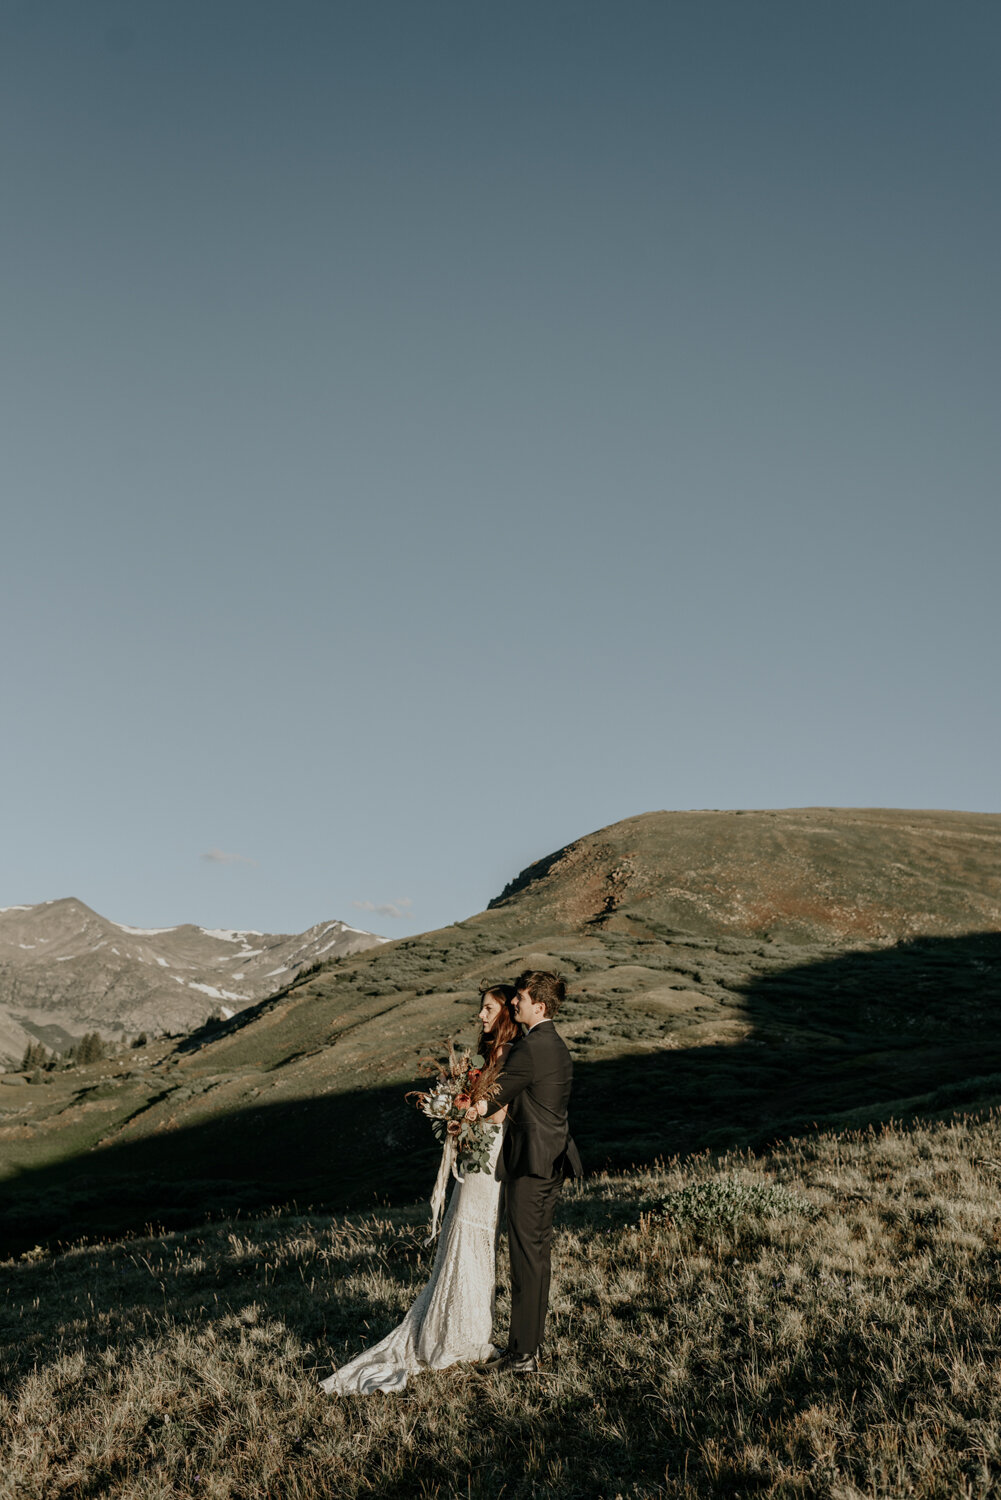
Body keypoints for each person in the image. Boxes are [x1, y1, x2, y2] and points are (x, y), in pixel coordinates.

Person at [319, 983, 518, 1395]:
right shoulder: (487, 1056)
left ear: (505, 1014)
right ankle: (453, 1333)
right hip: (476, 1155)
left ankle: (465, 1333)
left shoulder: (513, 1055)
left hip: (490, 1157)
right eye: (482, 1009)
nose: (481, 1016)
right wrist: (458, 1114)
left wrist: (468, 1115)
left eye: (488, 1009)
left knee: (475, 1235)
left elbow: (502, 1113)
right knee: (462, 1233)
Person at [476, 969, 583, 1377]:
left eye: (520, 997)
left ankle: (521, 1356)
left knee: (525, 1260)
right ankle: (526, 1349)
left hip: (532, 1163)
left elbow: (495, 1098)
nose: (514, 1003)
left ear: (539, 1004)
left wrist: (464, 1111)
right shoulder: (553, 1043)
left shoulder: (531, 1048)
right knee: (535, 1257)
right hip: (550, 1159)